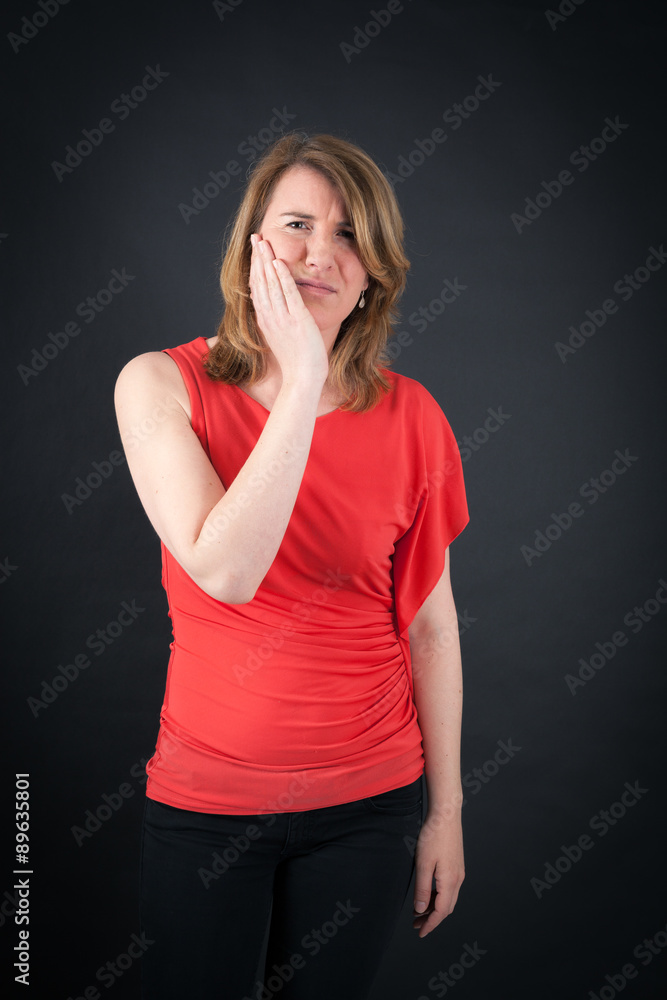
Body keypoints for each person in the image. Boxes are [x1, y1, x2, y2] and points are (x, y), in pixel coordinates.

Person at [114, 130, 469, 1000]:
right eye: (297, 225)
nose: (318, 254)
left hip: (369, 808)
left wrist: (446, 814)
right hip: (205, 809)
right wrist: (302, 378)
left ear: (373, 271)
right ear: (252, 247)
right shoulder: (159, 384)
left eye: (348, 235)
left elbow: (430, 628)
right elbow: (226, 571)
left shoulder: (413, 416)